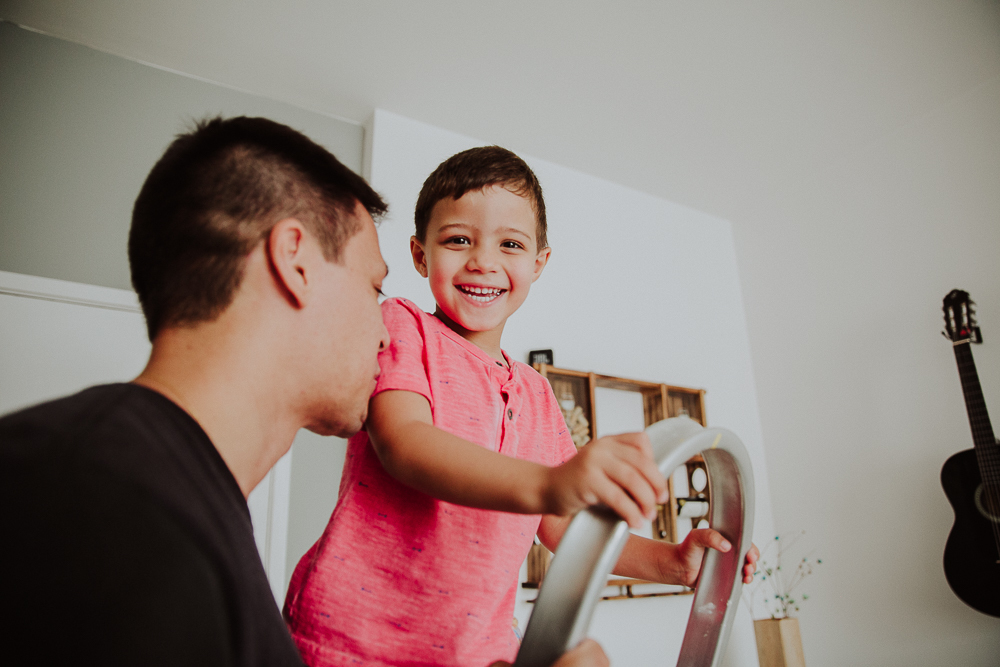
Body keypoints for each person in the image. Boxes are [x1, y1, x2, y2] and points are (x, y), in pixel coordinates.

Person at [0, 119, 604, 667]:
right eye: (373, 289)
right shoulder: (86, 500)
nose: (384, 331)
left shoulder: (182, 523)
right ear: (294, 261)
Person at [284, 146, 759, 666]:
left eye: (509, 244)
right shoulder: (405, 326)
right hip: (358, 642)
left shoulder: (535, 392)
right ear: (421, 255)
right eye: (458, 239)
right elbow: (405, 444)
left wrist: (673, 563)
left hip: (476, 653)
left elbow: (565, 526)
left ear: (539, 263)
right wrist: (550, 485)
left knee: (588, 660)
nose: (483, 261)